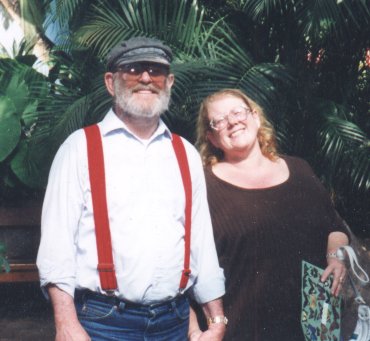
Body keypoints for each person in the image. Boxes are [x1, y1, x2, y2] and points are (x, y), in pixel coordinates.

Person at [36, 36, 227, 341]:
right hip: (102, 324)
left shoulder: (186, 153)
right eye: (134, 69)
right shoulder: (80, 148)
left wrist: (216, 319)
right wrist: (66, 323)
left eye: (156, 70)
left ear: (170, 82)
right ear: (111, 82)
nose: (146, 78)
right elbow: (56, 247)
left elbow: (201, 244)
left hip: (175, 323)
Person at [190, 88, 349, 340]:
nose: (232, 122)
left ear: (255, 116)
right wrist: (194, 331)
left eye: (237, 112)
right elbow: (183, 264)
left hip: (314, 326)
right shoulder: (202, 186)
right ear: (211, 137)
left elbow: (334, 226)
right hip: (239, 331)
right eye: (219, 120)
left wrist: (335, 257)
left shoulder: (300, 169)